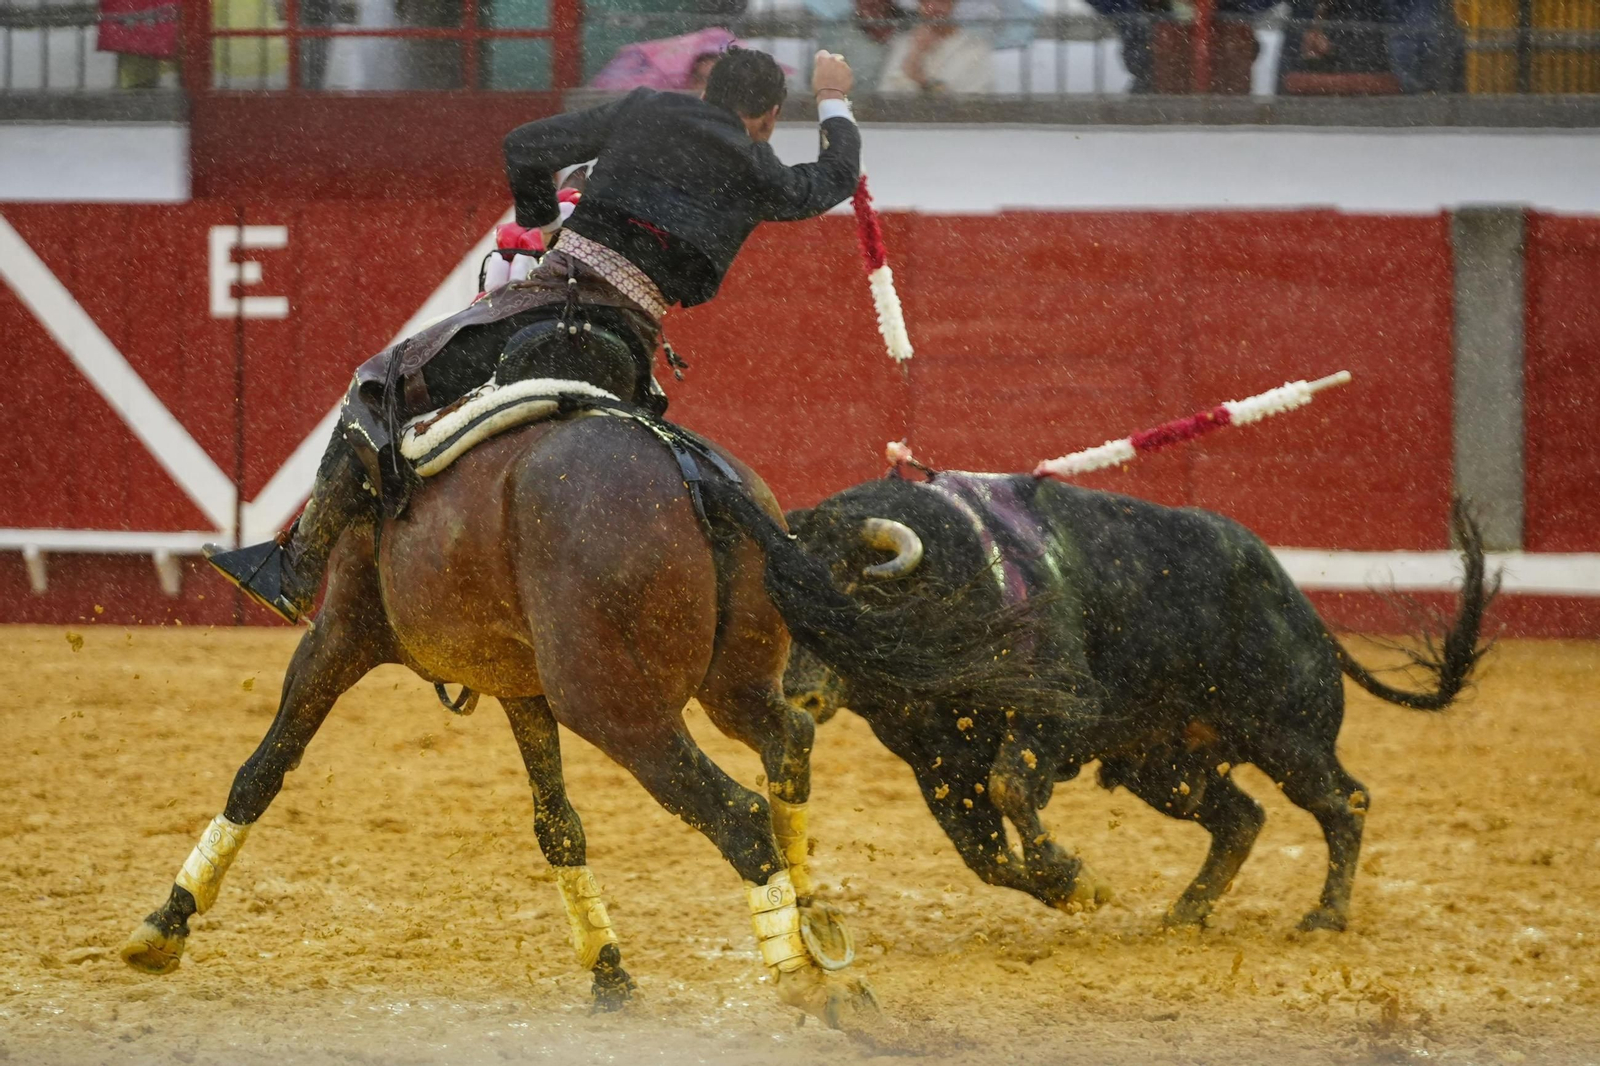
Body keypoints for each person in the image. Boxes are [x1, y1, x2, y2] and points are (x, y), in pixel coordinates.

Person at [205, 46, 862, 625]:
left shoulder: (648, 109)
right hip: (630, 342)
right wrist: (833, 99)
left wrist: (546, 227)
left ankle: (298, 569)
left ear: (707, 93)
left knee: (377, 383)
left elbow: (524, 146)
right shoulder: (760, 170)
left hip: (554, 299)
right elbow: (830, 180)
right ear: (770, 118)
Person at [878, 0, 993, 95]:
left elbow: (973, 104)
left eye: (942, 1)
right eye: (926, 2)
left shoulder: (974, 49)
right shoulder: (903, 44)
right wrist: (915, 54)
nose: (933, 8)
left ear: (954, 4)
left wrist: (922, 82)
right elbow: (886, 95)